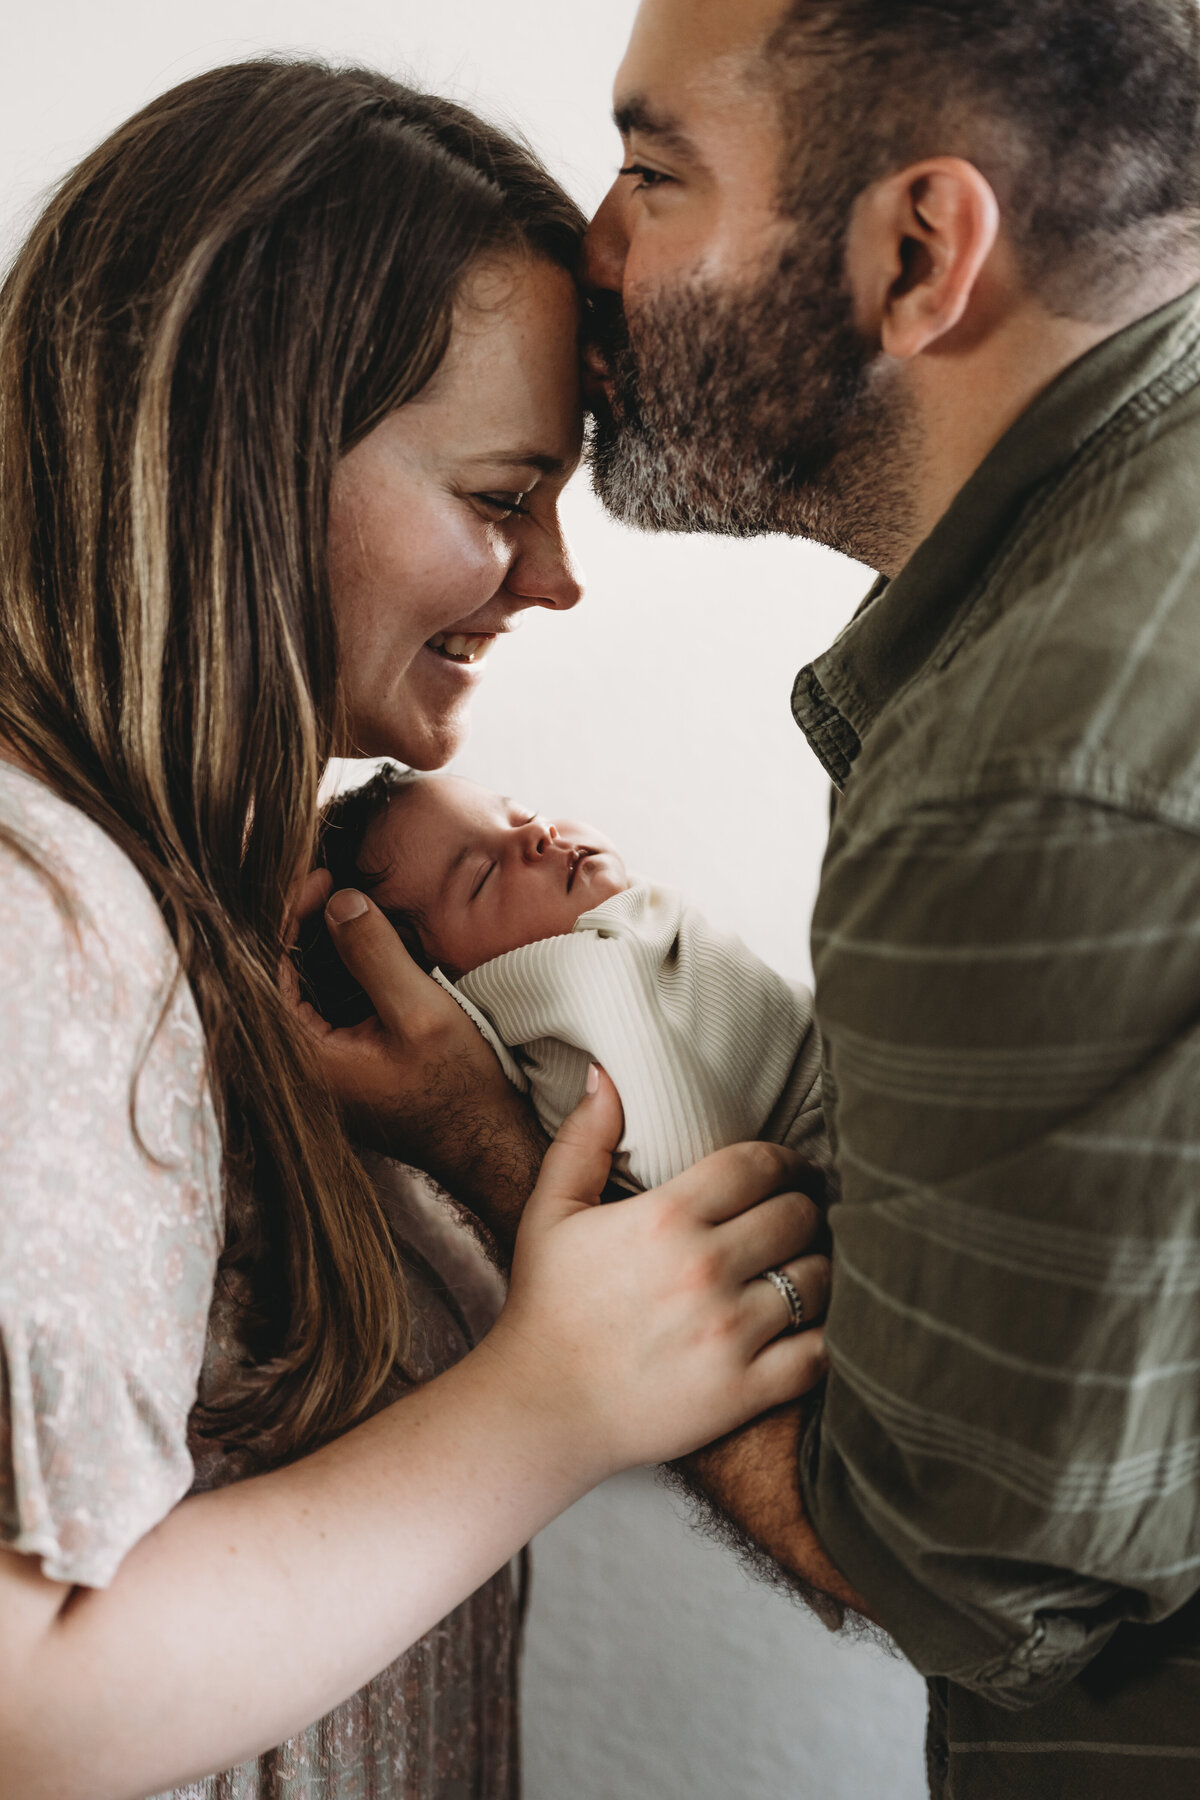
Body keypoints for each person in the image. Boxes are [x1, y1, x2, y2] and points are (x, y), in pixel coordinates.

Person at [0, 59, 834, 1800]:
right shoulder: (37, 914)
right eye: (500, 495)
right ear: (254, 448)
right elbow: (25, 1702)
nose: (553, 578)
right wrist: (547, 1403)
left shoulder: (245, 907)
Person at [581, 0, 1200, 1793]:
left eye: (650, 173)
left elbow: (954, 1578)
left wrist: (502, 1154)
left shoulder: (1032, 764)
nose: (592, 247)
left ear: (918, 248)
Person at [299, 765, 826, 1195]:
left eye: (521, 815)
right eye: (482, 877)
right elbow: (690, 1164)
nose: (535, 835)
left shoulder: (617, 918)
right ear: (442, 992)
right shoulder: (574, 974)